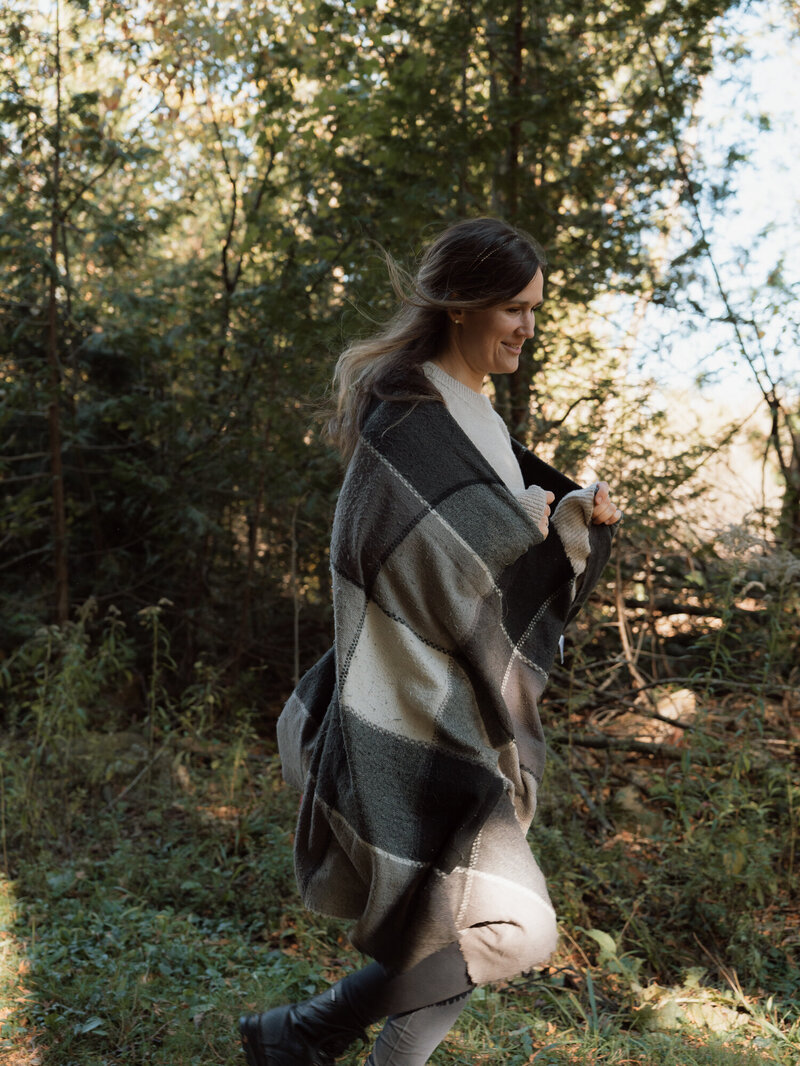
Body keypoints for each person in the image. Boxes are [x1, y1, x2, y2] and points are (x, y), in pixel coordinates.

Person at [239, 217, 622, 1066]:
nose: (528, 327)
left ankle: (302, 1037)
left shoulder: (481, 420)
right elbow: (391, 570)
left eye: (535, 310)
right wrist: (542, 532)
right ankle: (305, 1031)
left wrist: (569, 519)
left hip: (459, 717)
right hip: (404, 712)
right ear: (461, 306)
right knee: (512, 929)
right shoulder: (407, 423)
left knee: (456, 931)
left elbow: (499, 562)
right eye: (514, 309)